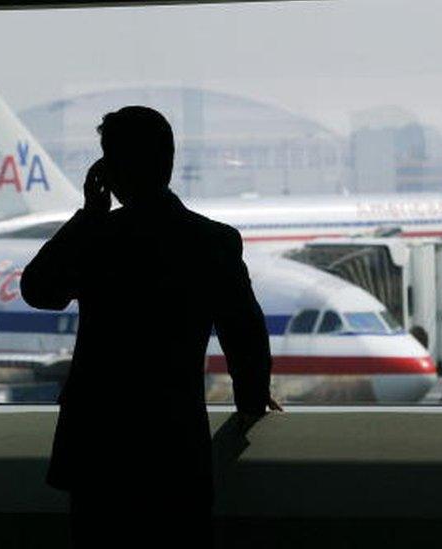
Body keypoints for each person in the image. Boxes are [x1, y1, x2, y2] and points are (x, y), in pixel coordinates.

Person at [20, 106, 281, 547]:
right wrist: (252, 400)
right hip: (173, 440)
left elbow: (38, 290)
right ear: (169, 160)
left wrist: (88, 214)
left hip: (99, 444)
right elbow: (244, 332)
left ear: (108, 168)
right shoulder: (213, 241)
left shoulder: (99, 239)